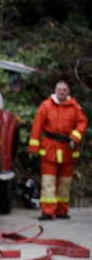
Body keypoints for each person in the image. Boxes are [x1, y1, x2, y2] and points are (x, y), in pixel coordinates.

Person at [27, 80, 88, 220]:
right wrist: (33, 148)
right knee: (48, 180)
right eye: (59, 89)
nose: (61, 91)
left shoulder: (74, 107)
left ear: (68, 92)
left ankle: (62, 210)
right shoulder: (46, 105)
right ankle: (47, 211)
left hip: (68, 148)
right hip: (49, 148)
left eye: (64, 90)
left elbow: (82, 122)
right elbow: (37, 126)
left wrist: (75, 137)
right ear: (55, 90)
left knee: (65, 182)